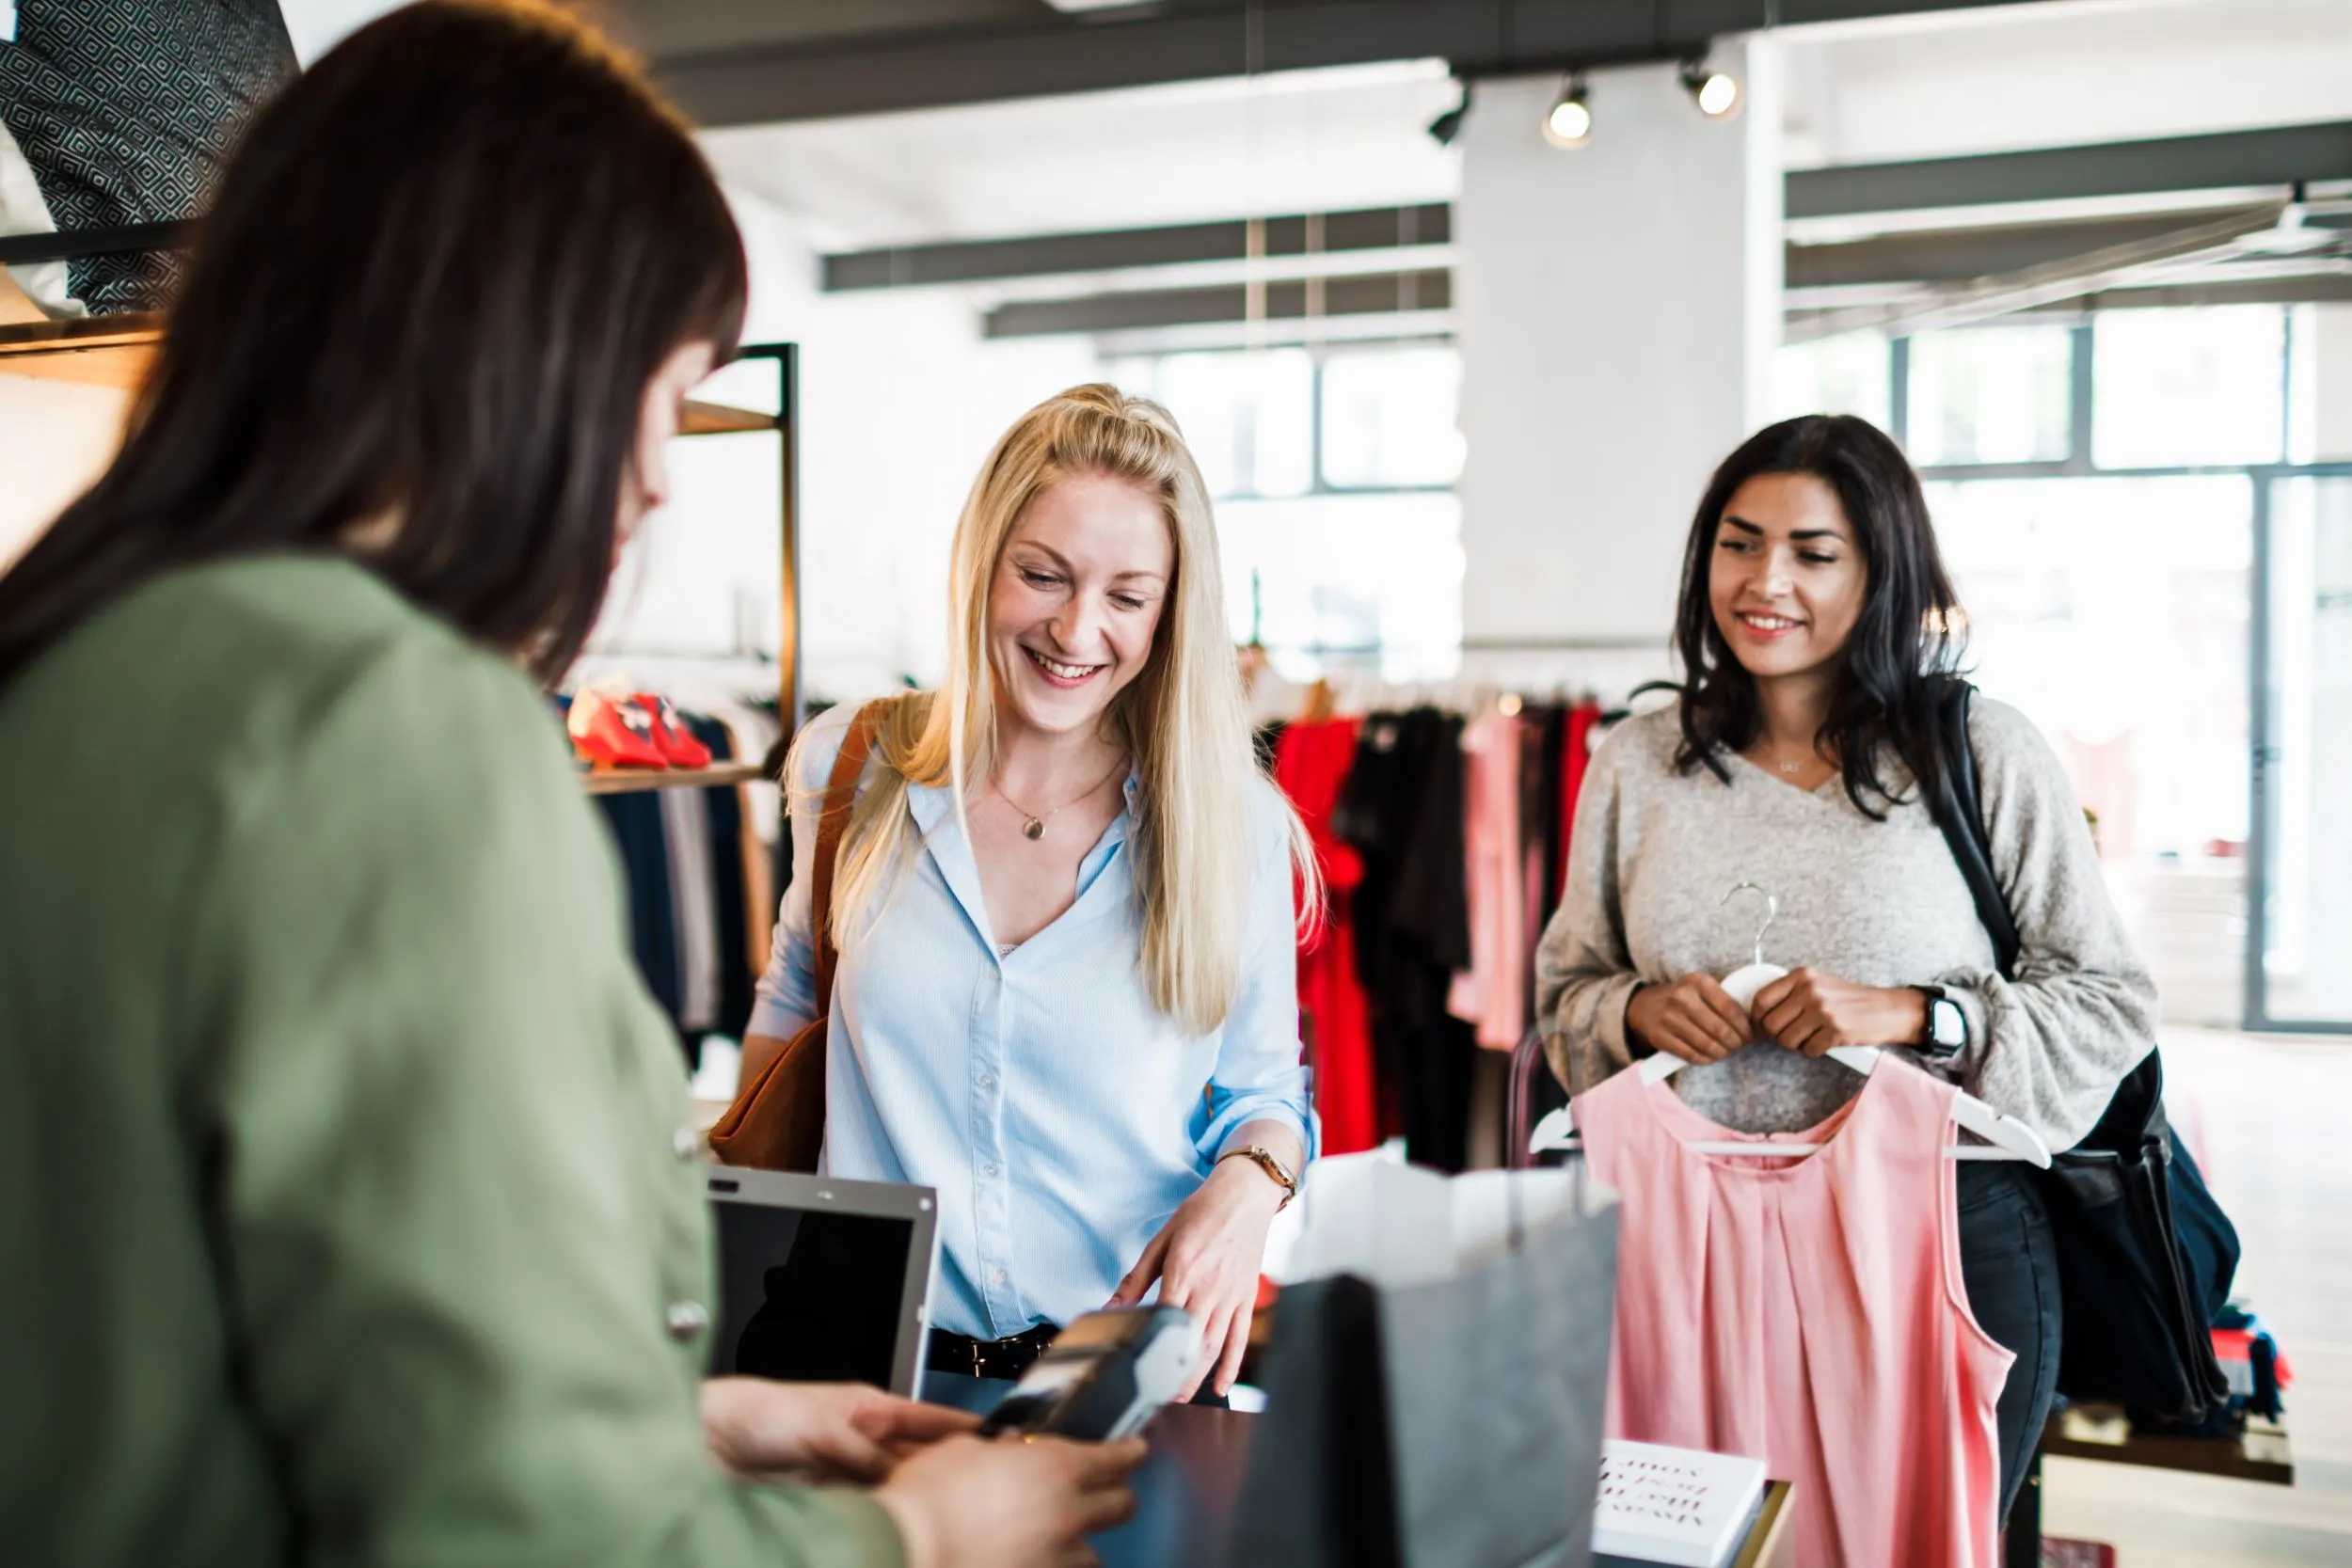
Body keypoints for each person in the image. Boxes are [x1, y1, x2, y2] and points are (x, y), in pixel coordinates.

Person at [0, 6, 1138, 1566]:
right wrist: (923, 1537)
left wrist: (685, 1419)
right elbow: (516, 1534)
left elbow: (203, 1324)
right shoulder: (397, 728)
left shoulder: (80, 656)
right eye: (660, 397)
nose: (665, 476)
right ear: (528, 352)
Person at [1534, 414, 2159, 1519]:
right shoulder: (1634, 760)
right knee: (1675, 1545)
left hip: (1933, 1236)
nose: (1765, 579)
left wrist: (1924, 1014)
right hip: (1680, 1243)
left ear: (1880, 572)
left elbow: (2111, 999)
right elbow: (1565, 987)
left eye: (1814, 552)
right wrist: (1636, 1013)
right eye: (1739, 541)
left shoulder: (1979, 750)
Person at [740, 385, 1316, 1403]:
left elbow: (1266, 1090)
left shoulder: (1233, 821)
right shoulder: (851, 764)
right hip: (849, 1362)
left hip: (1117, 1380)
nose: (1076, 628)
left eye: (1128, 596)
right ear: (983, 561)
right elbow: (793, 997)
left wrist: (1246, 1184)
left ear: (1173, 609)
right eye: (1042, 574)